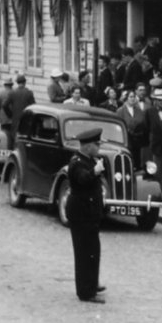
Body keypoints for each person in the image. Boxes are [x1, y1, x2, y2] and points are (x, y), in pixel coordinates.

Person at [66, 128, 107, 304]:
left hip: (90, 212)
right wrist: (95, 172)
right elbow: (82, 179)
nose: (99, 148)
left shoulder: (88, 160)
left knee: (93, 251)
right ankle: (85, 291)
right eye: (97, 145)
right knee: (84, 252)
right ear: (88, 146)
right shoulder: (77, 162)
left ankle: (92, 282)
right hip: (81, 213)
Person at [4, 74, 36, 149]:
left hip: (15, 120)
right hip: (26, 121)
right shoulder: (29, 93)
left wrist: (10, 114)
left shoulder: (12, 93)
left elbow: (4, 105)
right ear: (24, 82)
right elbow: (34, 106)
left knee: (14, 141)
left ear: (17, 82)